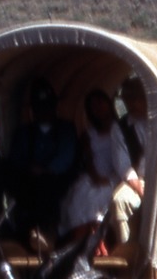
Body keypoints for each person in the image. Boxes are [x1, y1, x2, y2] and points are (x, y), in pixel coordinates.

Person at [0, 77, 78, 249]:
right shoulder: (24, 132)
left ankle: (44, 235)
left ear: (54, 107)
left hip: (54, 181)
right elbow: (15, 158)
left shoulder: (65, 129)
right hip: (28, 179)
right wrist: (27, 168)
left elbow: (65, 158)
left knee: (44, 187)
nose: (43, 111)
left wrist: (46, 169)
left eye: (47, 106)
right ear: (33, 110)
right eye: (39, 107)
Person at [59, 89, 140, 245]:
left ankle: (106, 239)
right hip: (97, 175)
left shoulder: (123, 128)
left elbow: (132, 155)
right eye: (93, 106)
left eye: (100, 103)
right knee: (81, 198)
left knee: (107, 197)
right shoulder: (89, 134)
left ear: (109, 104)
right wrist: (95, 175)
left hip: (120, 173)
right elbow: (88, 159)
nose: (98, 108)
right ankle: (82, 239)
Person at [112, 77, 150, 244]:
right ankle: (126, 245)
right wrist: (141, 190)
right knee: (118, 200)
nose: (132, 104)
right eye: (128, 100)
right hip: (139, 181)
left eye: (136, 99)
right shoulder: (120, 127)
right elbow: (123, 164)